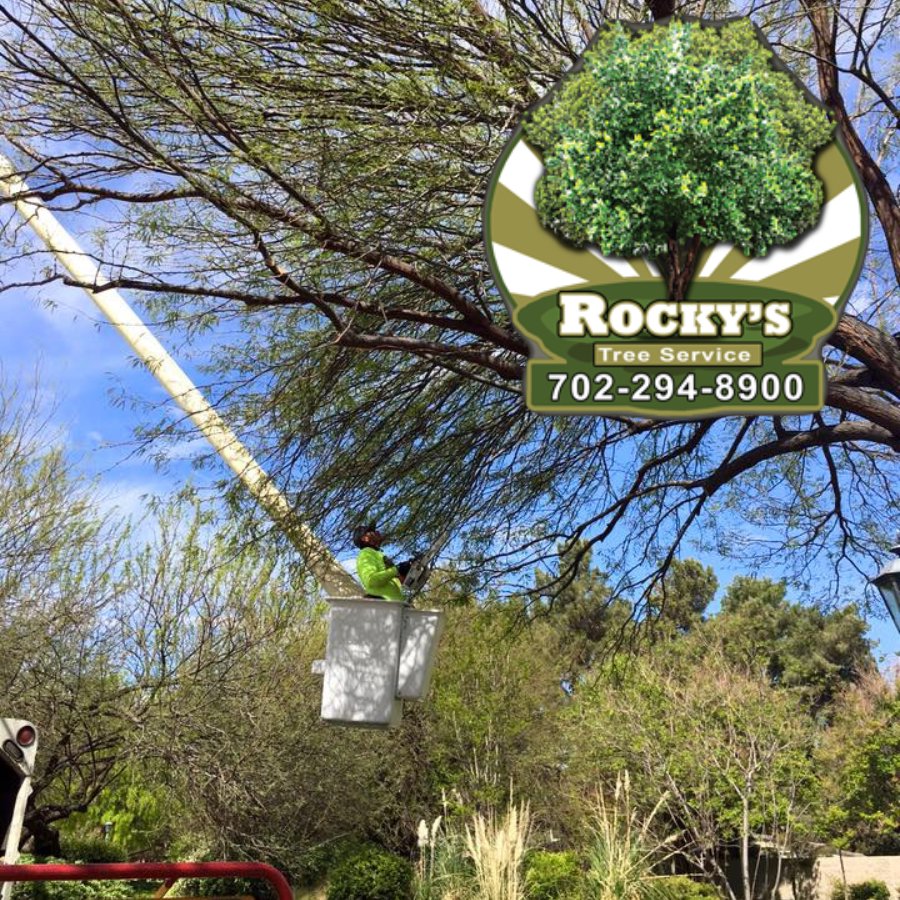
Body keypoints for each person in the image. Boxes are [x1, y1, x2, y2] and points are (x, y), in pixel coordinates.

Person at [353, 523, 415, 602]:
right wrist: (397, 569)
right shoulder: (365, 553)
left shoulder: (379, 555)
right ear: (365, 538)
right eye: (371, 531)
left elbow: (398, 582)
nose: (376, 532)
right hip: (385, 608)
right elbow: (371, 581)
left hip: (399, 606)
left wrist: (406, 571)